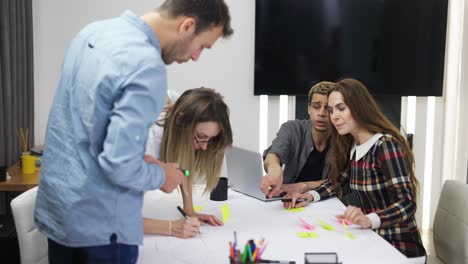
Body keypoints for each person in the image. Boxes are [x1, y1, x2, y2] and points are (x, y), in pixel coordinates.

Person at [34, 1, 233, 263]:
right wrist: (160, 174)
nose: (196, 57)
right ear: (187, 26)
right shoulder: (145, 67)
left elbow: (85, 133)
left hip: (61, 215)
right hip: (103, 231)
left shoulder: (91, 34)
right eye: (202, 47)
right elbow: (119, 165)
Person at [284, 78, 426, 258]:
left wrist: (369, 219)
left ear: (359, 107)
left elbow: (407, 203)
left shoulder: (385, 146)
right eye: (331, 110)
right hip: (369, 237)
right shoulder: (354, 145)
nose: (334, 116)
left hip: (398, 247)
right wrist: (310, 196)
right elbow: (339, 183)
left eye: (341, 108)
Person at [143, 87, 233, 238]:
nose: (204, 147)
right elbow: (114, 219)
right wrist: (171, 228)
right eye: (200, 136)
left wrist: (189, 210)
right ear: (180, 121)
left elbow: (183, 160)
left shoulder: (179, 105)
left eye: (209, 139)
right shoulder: (146, 142)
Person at [260, 81, 335, 197]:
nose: (321, 113)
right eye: (316, 106)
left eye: (328, 109)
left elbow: (341, 181)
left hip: (323, 200)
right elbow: (274, 152)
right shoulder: (292, 128)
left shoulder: (344, 139)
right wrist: (274, 169)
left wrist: (303, 186)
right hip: (286, 198)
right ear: (309, 108)